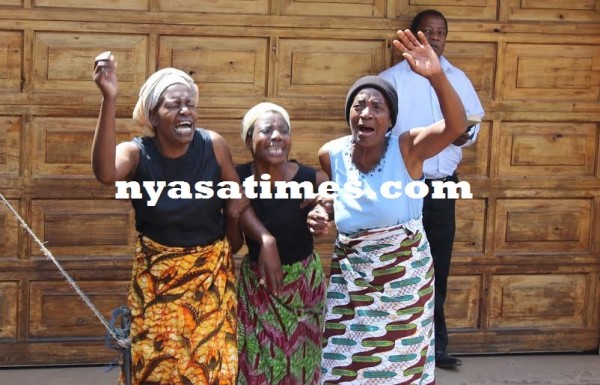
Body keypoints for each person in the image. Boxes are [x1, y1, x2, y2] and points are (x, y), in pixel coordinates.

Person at [91, 52, 279, 385]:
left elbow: (238, 203)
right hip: (157, 283)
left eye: (190, 104)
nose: (185, 111)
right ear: (153, 115)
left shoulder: (213, 145)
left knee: (212, 367)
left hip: (210, 281)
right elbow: (106, 172)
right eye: (174, 105)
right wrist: (110, 99)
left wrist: (265, 239)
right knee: (155, 366)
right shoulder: (137, 153)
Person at [307, 28, 466, 385]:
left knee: (399, 372)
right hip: (351, 286)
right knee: (340, 370)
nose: (365, 113)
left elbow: (457, 126)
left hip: (403, 287)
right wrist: (324, 212)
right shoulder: (331, 154)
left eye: (377, 107)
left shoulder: (408, 148)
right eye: (358, 105)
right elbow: (342, 196)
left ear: (391, 121)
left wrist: (436, 75)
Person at [379, 9, 485, 369]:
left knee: (437, 265)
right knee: (398, 264)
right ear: (413, 35)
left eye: (441, 32)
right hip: (402, 186)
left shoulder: (457, 77)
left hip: (442, 188)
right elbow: (377, 130)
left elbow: (474, 123)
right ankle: (395, 341)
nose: (435, 37)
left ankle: (434, 348)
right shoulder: (389, 80)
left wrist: (465, 132)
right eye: (428, 31)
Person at [232, 102, 328, 385]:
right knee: (255, 366)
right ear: (249, 139)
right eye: (267, 130)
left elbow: (331, 199)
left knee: (302, 364)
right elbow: (233, 240)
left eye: (283, 130)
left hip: (303, 290)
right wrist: (266, 240)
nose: (277, 136)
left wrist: (325, 211)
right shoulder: (236, 178)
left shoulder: (311, 178)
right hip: (258, 288)